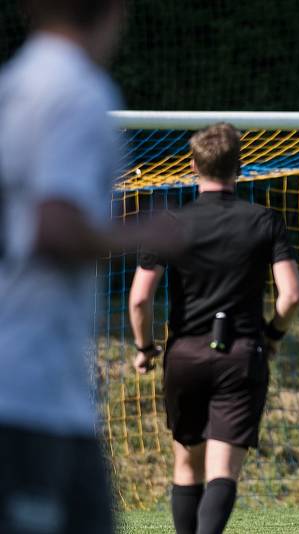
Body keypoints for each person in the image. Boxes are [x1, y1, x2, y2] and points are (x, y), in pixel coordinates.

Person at [0, 1, 149, 532]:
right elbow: (56, 226)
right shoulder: (78, 93)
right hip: (30, 395)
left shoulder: (13, 87)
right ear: (115, 11)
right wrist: (151, 233)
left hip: (47, 396)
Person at [129, 122, 299, 534]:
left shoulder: (168, 223)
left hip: (185, 355)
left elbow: (139, 298)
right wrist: (273, 335)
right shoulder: (264, 221)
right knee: (223, 469)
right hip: (242, 354)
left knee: (186, 465)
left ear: (193, 166)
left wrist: (145, 348)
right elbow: (292, 295)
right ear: (239, 167)